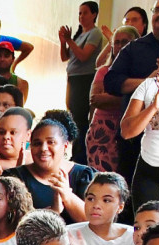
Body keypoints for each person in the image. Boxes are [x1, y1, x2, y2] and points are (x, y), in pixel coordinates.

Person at [103, 2, 159, 195]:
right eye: (157, 9)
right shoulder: (135, 48)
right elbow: (111, 81)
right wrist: (147, 82)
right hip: (138, 149)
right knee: (136, 213)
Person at [122, 31, 159, 210]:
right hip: (148, 167)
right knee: (146, 228)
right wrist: (155, 104)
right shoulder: (150, 85)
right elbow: (126, 131)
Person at [6, 111, 95, 224]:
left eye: (51, 142)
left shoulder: (85, 175)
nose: (43, 148)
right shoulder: (14, 177)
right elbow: (10, 222)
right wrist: (53, 212)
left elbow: (94, 222)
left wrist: (67, 195)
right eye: (37, 143)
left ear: (65, 146)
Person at [59, 1, 106, 165]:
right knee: (72, 113)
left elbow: (84, 56)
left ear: (94, 14)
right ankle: (76, 151)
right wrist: (63, 41)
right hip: (73, 78)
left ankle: (80, 155)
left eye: (85, 12)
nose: (81, 16)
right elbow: (65, 57)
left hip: (84, 78)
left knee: (80, 117)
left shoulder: (95, 33)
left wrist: (69, 40)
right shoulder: (80, 34)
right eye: (79, 13)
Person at [89, 26, 141, 173]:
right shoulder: (104, 71)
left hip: (130, 131)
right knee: (103, 179)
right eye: (116, 42)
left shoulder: (140, 72)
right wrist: (131, 98)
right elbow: (96, 99)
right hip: (102, 130)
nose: (119, 46)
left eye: (125, 42)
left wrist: (115, 95)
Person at [69, 172, 135, 245]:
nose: (96, 205)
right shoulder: (69, 235)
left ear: (120, 207)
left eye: (106, 200)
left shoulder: (134, 238)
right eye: (91, 199)